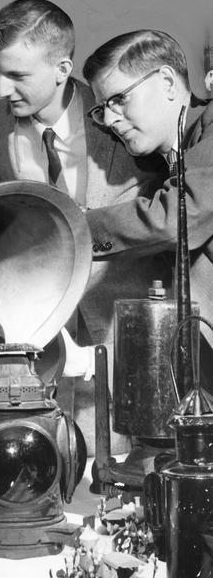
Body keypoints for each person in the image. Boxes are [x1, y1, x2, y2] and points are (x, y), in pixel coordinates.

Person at [0, 0, 170, 453]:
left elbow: (166, 215)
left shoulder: (122, 117)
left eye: (18, 75)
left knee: (127, 482)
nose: (3, 87)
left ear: (62, 68)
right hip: (38, 347)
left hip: (126, 343)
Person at [82, 29, 213, 385]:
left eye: (120, 99)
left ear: (168, 82)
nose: (109, 120)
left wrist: (72, 229)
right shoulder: (162, 169)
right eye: (102, 109)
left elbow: (174, 219)